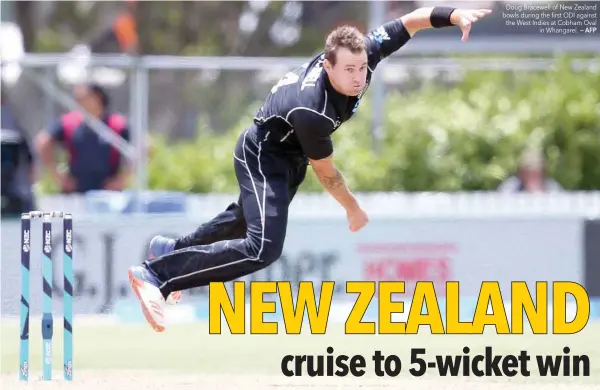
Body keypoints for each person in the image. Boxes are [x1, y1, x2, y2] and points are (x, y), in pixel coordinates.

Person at [128, 5, 492, 332]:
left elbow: (413, 20)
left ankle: (168, 249)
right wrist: (353, 209)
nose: (358, 77)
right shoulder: (312, 109)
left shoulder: (364, 52)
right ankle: (158, 275)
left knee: (241, 221)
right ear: (326, 65)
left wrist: (455, 14)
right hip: (263, 154)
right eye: (348, 70)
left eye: (363, 67)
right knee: (262, 249)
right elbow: (328, 174)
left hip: (288, 158)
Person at [35, 83, 132, 194]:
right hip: (76, 191)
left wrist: (122, 179)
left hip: (108, 194)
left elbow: (144, 147)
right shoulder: (70, 122)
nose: (78, 102)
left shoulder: (116, 124)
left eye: (83, 98)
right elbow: (43, 142)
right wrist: (58, 176)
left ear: (97, 98)